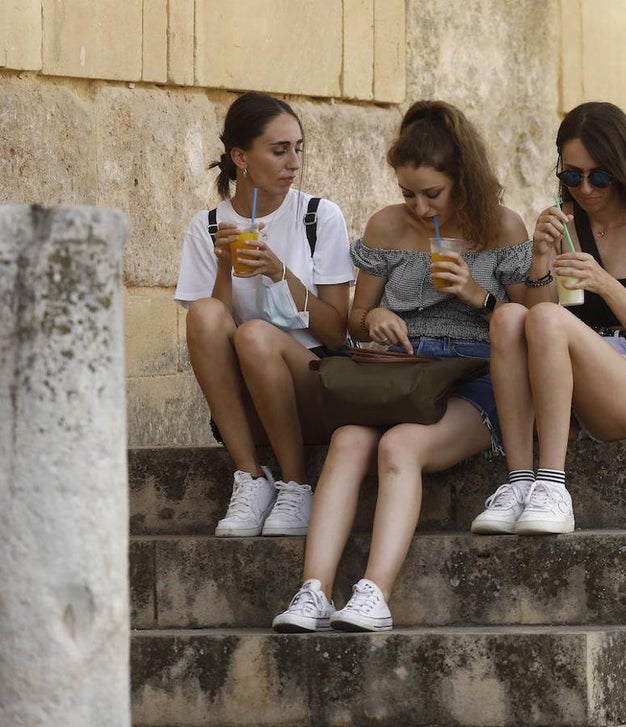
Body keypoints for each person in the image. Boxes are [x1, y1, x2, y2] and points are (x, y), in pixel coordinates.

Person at [272, 100, 538, 633]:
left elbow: (539, 326)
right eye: (407, 193)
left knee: (399, 448)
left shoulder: (503, 228)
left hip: (474, 375)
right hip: (399, 372)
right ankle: (314, 591)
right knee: (348, 441)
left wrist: (475, 295)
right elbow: (355, 317)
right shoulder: (386, 227)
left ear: (463, 179)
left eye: (431, 193)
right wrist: (377, 319)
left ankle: (374, 594)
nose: (417, 207)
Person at [470, 101, 626, 536]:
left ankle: (554, 485)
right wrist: (540, 259)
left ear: (624, 169)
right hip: (572, 370)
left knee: (549, 322)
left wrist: (605, 283)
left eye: (599, 176)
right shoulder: (568, 222)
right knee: (509, 319)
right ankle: (520, 482)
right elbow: (542, 314)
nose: (585, 188)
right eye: (571, 176)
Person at [175, 91, 355, 538]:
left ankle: (296, 484)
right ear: (241, 157)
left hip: (313, 379)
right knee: (203, 314)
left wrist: (282, 273)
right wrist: (222, 264)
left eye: (298, 148)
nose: (293, 162)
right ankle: (251, 477)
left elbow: (337, 331)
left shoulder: (318, 216)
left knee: (256, 334)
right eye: (279, 150)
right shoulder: (209, 226)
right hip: (246, 394)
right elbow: (214, 328)